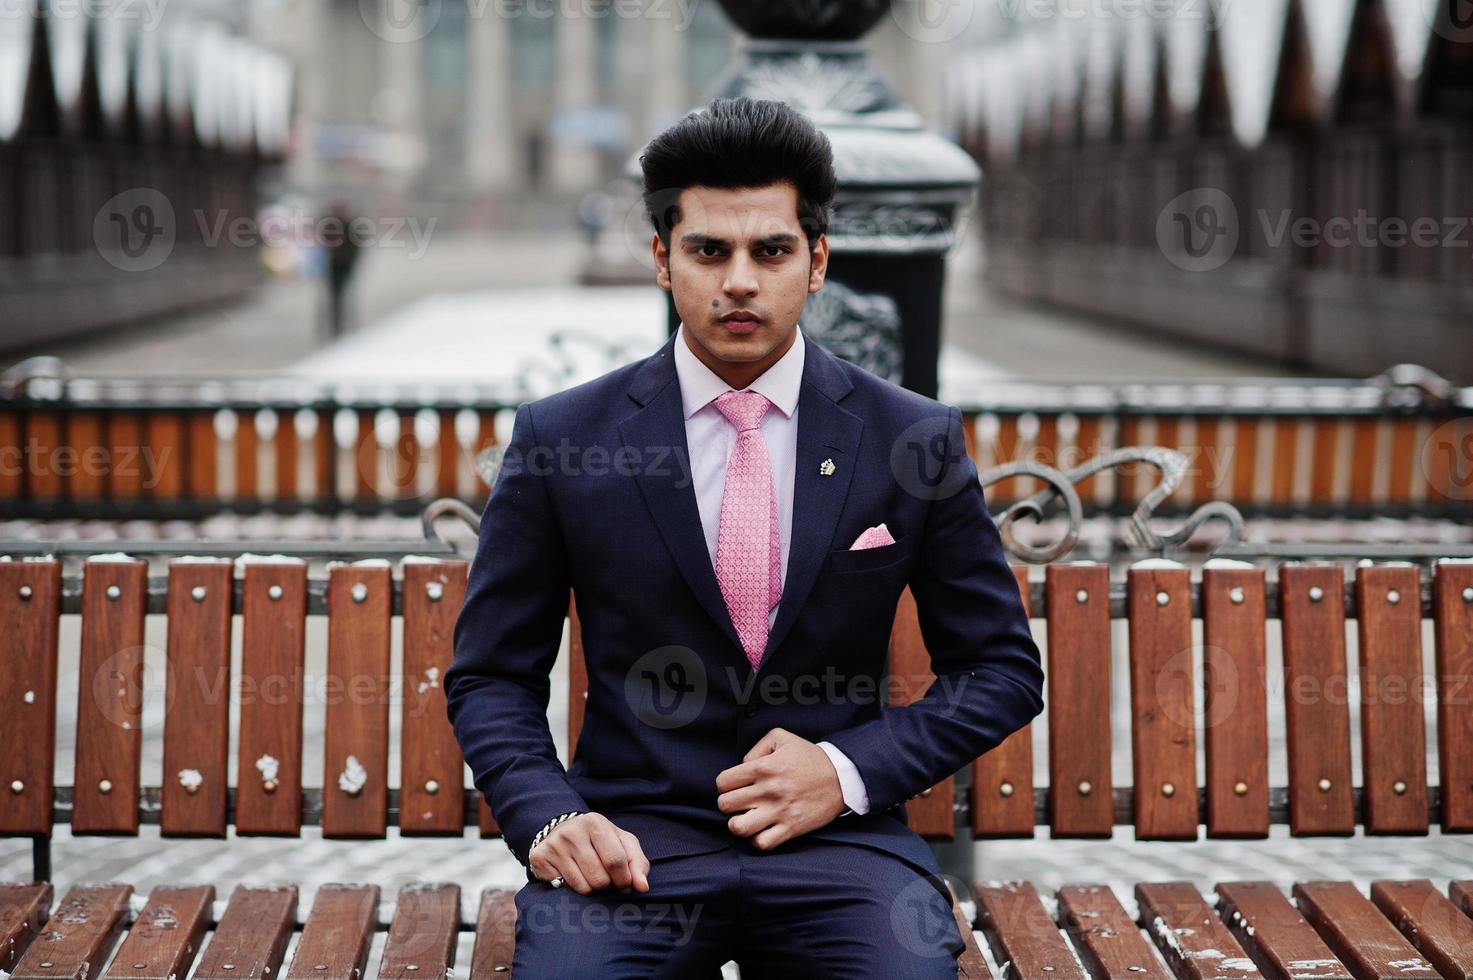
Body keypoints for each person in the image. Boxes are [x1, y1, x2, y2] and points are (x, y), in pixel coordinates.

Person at [444, 96, 1044, 978]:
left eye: (770, 250)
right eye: (707, 250)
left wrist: (842, 773)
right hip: (629, 848)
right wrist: (550, 818)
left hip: (842, 849)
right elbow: (492, 673)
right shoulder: (562, 437)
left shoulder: (909, 438)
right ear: (662, 259)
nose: (738, 281)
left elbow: (1000, 668)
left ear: (817, 262)